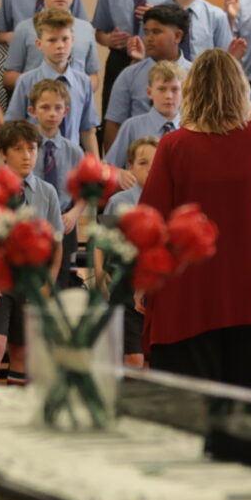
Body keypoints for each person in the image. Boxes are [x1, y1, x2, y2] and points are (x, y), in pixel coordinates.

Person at [138, 49, 251, 387]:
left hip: (188, 285)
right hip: (248, 284)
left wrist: (142, 281)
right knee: (248, 400)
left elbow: (153, 218)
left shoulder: (174, 145)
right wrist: (237, 102)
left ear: (191, 91)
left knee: (191, 400)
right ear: (241, 90)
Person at [0, 120, 65, 385]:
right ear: (3, 153)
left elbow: (56, 243)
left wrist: (49, 281)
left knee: (22, 351)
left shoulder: (47, 193)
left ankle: (16, 415)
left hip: (31, 280)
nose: (27, 156)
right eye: (18, 149)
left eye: (32, 149)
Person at [0, 0, 102, 100]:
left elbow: (93, 76)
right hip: (37, 107)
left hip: (74, 106)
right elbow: (9, 77)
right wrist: (42, 84)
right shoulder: (24, 28)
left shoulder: (86, 29)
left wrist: (79, 86)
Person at [2, 8, 100, 154]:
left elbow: (87, 131)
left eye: (65, 39)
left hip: (70, 163)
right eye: (52, 40)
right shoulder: (26, 82)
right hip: (35, 162)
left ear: (72, 40)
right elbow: (12, 129)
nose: (60, 45)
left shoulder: (84, 82)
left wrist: (96, 170)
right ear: (39, 44)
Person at [102, 1, 193, 153]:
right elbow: (114, 123)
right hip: (140, 162)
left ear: (177, 36)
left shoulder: (195, 75)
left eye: (156, 32)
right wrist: (117, 169)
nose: (149, 38)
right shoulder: (129, 75)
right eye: (147, 32)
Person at [102, 133, 160, 369]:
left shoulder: (171, 199)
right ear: (130, 168)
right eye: (142, 163)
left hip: (158, 286)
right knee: (131, 357)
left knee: (154, 355)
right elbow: (107, 245)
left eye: (155, 163)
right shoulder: (118, 201)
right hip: (126, 286)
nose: (149, 169)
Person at [26, 78, 85, 284]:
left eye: (57, 108)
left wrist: (74, 214)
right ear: (33, 111)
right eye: (45, 107)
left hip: (64, 223)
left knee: (61, 283)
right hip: (32, 224)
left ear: (65, 111)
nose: (52, 113)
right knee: (32, 282)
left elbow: (86, 189)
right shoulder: (26, 148)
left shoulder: (74, 151)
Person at [104, 59, 182, 167]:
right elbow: (108, 167)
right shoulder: (132, 127)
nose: (169, 96)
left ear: (185, 92)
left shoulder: (191, 128)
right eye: (162, 89)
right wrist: (119, 174)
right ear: (149, 92)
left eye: (175, 90)